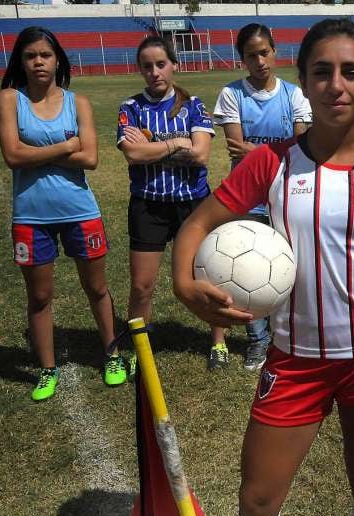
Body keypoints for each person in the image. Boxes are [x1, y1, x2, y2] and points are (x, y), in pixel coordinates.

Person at [172, 18, 354, 516]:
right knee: (258, 495)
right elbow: (198, 224)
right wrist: (183, 281)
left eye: (351, 72)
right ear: (304, 82)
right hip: (294, 361)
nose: (337, 85)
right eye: (322, 72)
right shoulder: (271, 163)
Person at [0, 27, 127, 401]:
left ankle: (113, 354)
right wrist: (66, 144)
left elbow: (91, 158)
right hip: (30, 216)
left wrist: (40, 150)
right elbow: (12, 155)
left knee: (97, 288)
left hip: (80, 210)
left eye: (45, 55)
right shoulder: (10, 99)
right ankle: (47, 368)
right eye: (30, 55)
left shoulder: (78, 102)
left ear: (58, 60)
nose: (38, 62)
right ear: (20, 61)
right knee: (39, 296)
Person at [211, 23, 313, 372]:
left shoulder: (294, 95)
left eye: (264, 52)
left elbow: (299, 148)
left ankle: (289, 335)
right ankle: (258, 340)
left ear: (275, 52)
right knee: (249, 271)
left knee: (288, 267)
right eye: (251, 55)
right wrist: (273, 152)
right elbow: (237, 149)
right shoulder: (231, 94)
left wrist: (257, 152)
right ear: (242, 59)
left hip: (287, 195)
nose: (260, 60)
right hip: (247, 197)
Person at [116, 36, 214, 371]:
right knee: (142, 286)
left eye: (161, 64)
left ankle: (217, 342)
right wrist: (176, 142)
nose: (155, 72)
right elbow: (133, 154)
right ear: (140, 69)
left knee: (210, 275)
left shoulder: (194, 105)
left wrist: (153, 149)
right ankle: (141, 348)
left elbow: (200, 154)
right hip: (149, 206)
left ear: (174, 65)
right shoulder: (131, 107)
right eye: (147, 66)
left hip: (193, 205)